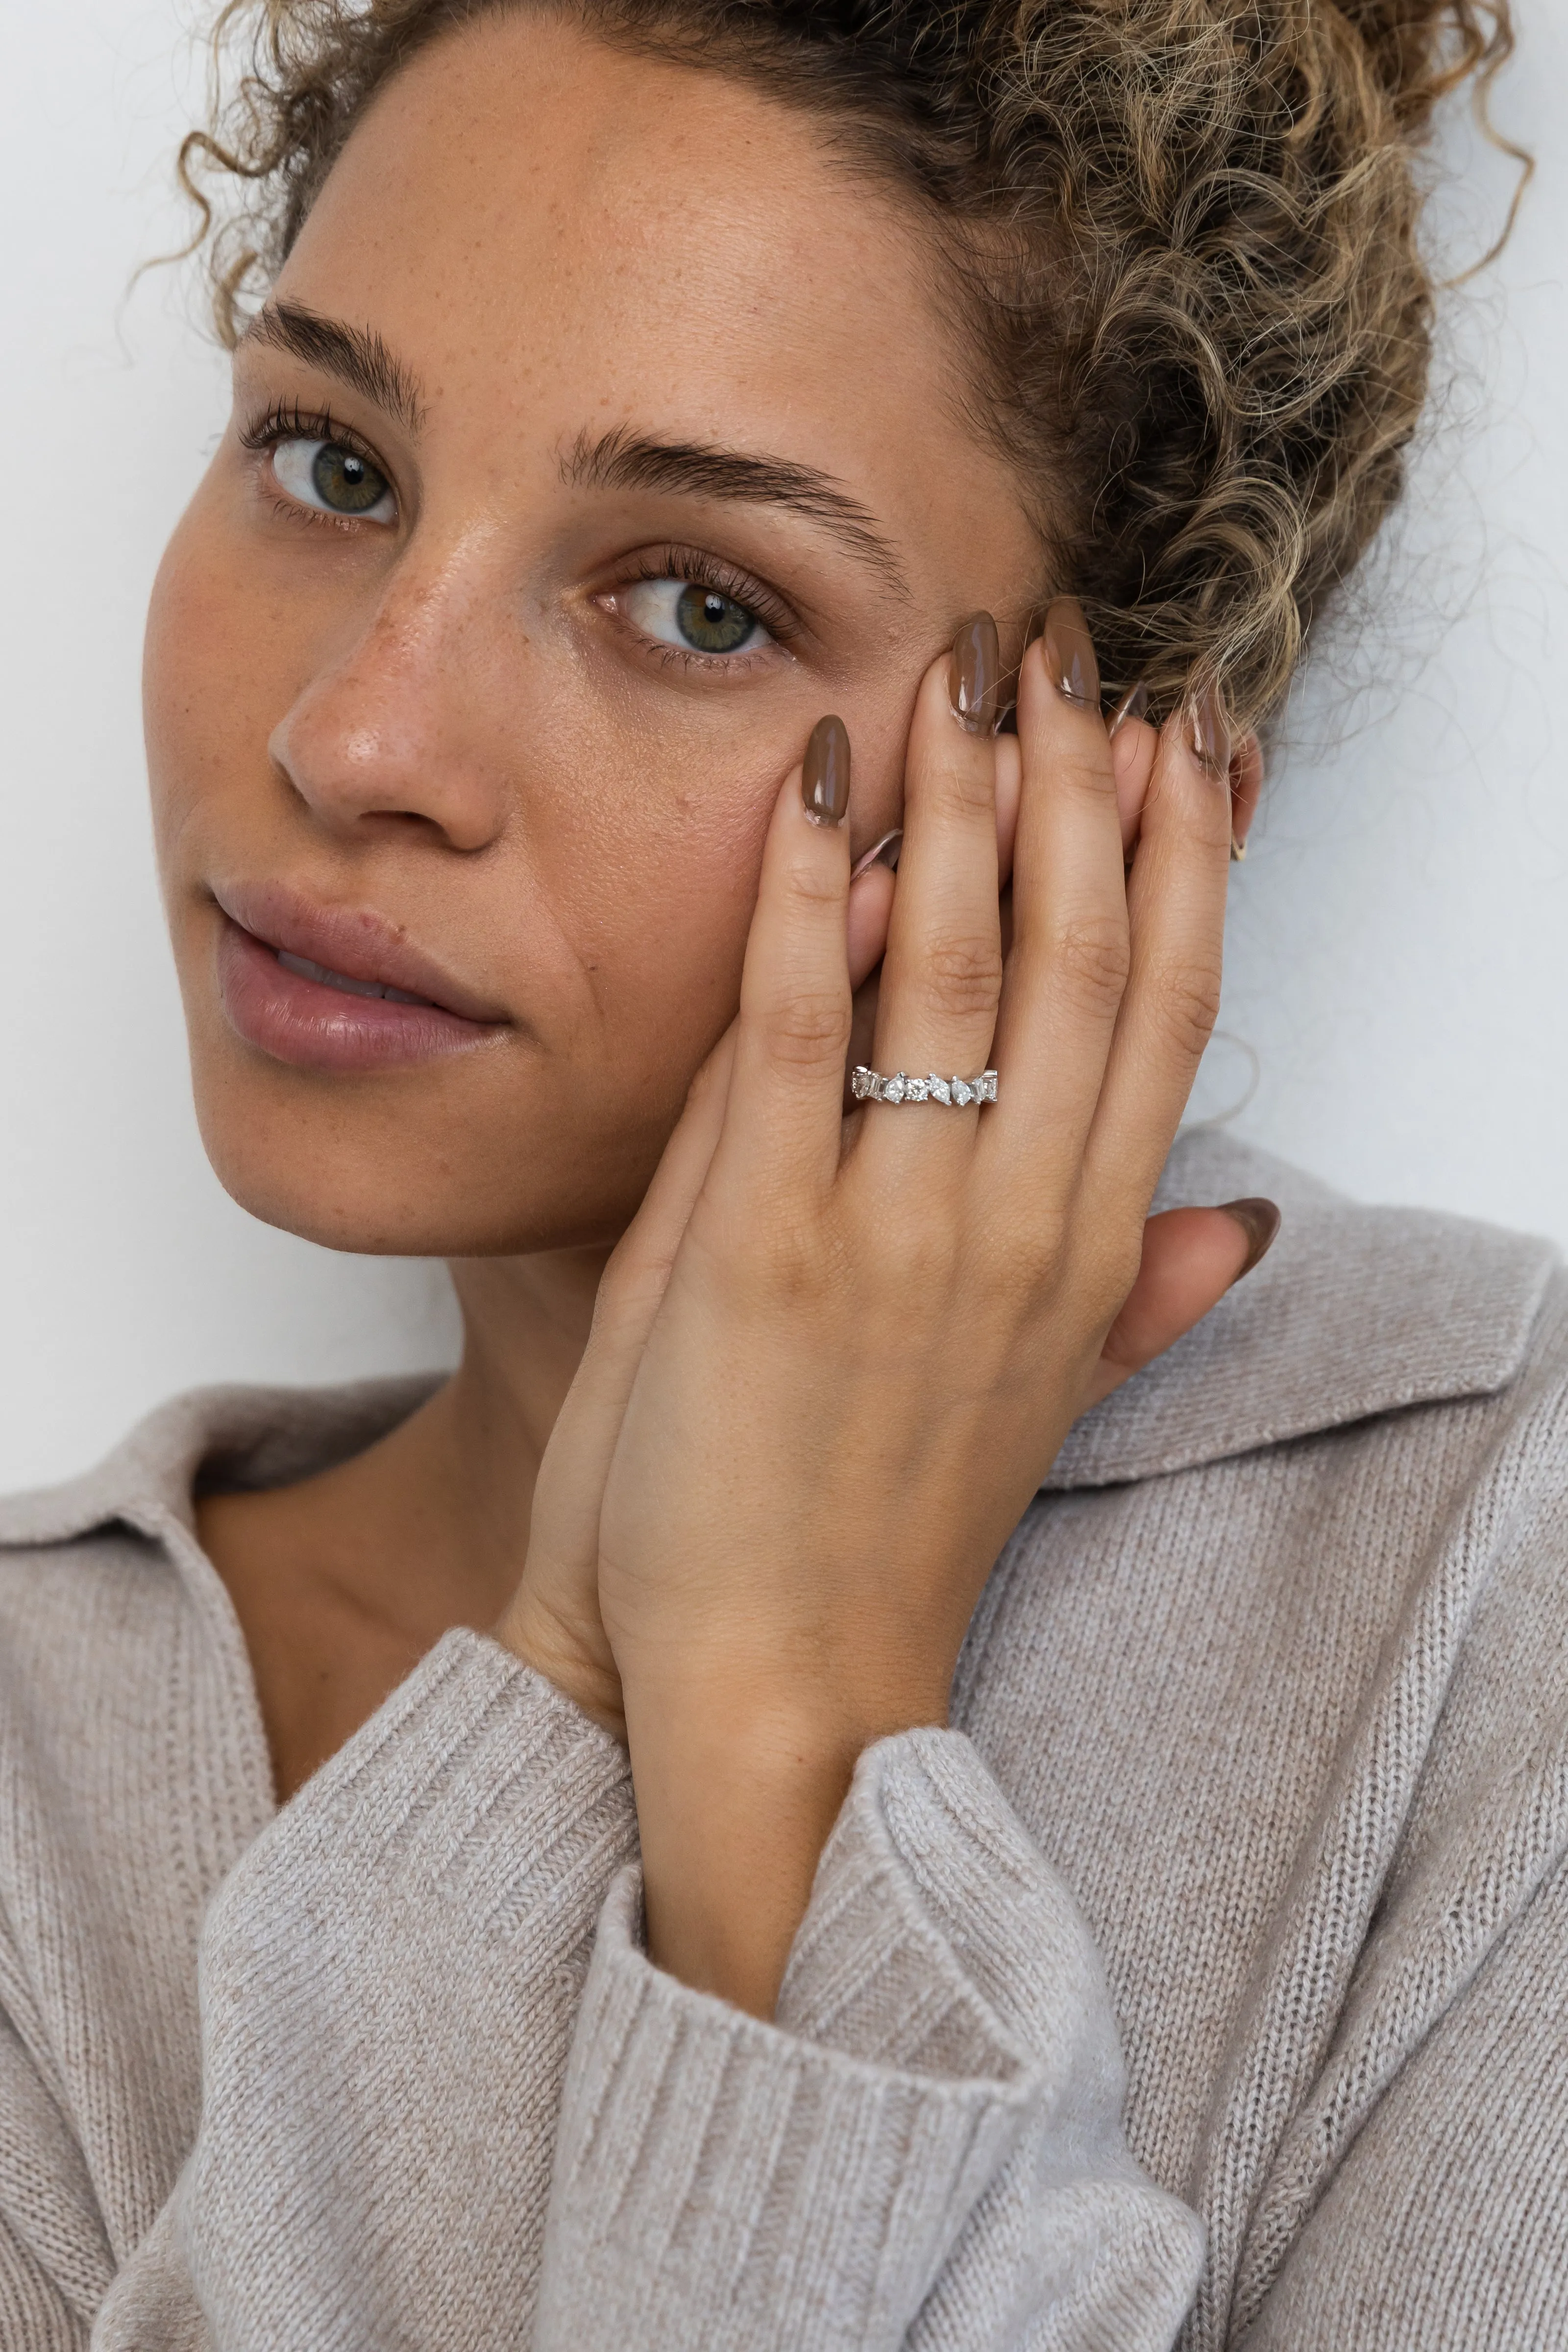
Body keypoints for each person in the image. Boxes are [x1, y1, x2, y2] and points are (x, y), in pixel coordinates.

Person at [2, 0, 1561, 2343]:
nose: (354, 738)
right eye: (331, 462)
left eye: (697, 602)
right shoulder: (30, 1763)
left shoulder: (1490, 1591)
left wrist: (778, 1712)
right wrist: (586, 1685)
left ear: (1115, 779)